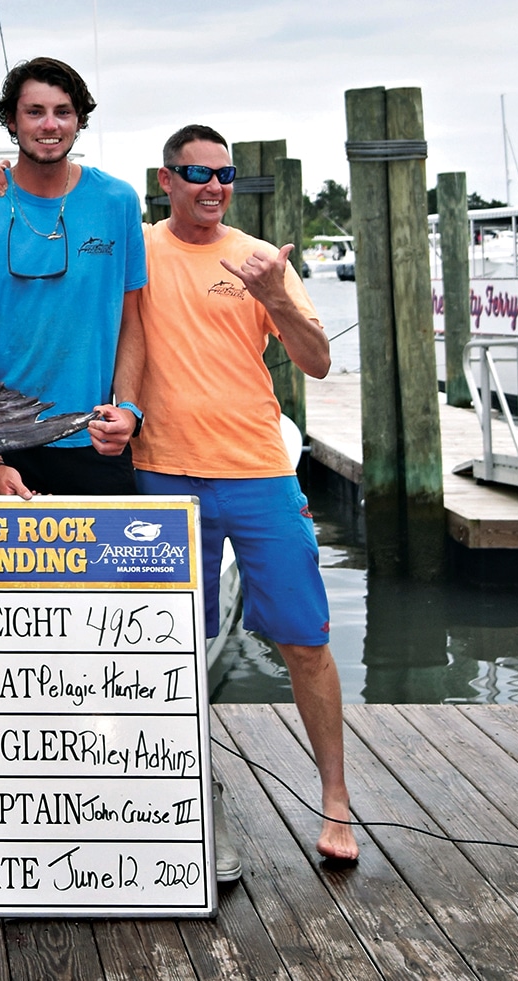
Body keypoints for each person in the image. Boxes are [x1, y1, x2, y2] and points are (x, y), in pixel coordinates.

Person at [131, 124, 359, 867]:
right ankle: (181, 794)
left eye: (224, 174)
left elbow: (319, 362)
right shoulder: (135, 247)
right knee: (163, 650)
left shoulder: (261, 259)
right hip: (162, 474)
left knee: (305, 640)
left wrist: (277, 298)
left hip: (259, 472)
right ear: (165, 179)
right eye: (196, 172)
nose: (212, 185)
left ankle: (335, 800)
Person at [0, 57, 146, 497]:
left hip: (93, 438)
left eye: (63, 112)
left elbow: (132, 322)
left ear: (80, 121)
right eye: (34, 112)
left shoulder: (118, 201)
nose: (49, 125)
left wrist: (130, 410)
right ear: (10, 121)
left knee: (105, 570)